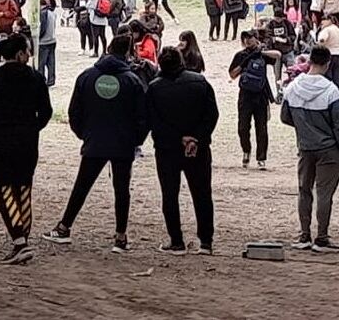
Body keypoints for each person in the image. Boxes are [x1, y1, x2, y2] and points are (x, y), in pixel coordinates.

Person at [46, 33, 151, 253]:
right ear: (128, 52)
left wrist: (84, 134)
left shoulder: (87, 76)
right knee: (122, 190)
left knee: (82, 186)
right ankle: (120, 237)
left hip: (94, 141)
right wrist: (135, 141)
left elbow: (74, 111)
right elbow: (143, 117)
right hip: (123, 143)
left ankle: (64, 227)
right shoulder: (132, 81)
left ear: (109, 47)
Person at [0, 33, 52, 265]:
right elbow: (46, 112)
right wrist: (32, 128)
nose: (29, 55)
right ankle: (23, 236)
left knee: (4, 192)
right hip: (27, 144)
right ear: (19, 54)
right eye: (27, 51)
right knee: (23, 189)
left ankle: (19, 241)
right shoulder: (36, 78)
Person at [147, 45, 220, 254]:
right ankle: (206, 241)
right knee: (202, 193)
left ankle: (176, 240)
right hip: (197, 147)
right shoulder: (200, 82)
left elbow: (154, 121)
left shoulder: (154, 88)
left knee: (169, 194)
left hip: (167, 148)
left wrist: (178, 138)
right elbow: (211, 114)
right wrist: (195, 137)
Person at [281, 44, 339, 251]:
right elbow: (338, 123)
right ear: (327, 64)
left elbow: (285, 117)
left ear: (309, 62)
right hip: (328, 148)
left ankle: (304, 235)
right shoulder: (330, 90)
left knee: (304, 190)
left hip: (305, 146)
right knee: (324, 193)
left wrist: (303, 128)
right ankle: (322, 237)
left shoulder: (293, 88)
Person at [228, 29, 281, 170]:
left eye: (250, 38)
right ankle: (246, 150)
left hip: (261, 95)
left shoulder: (262, 53)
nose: (247, 41)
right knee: (243, 127)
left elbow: (278, 55)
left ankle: (261, 158)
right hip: (245, 95)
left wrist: (261, 52)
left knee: (262, 128)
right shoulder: (240, 55)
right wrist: (244, 62)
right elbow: (232, 74)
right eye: (245, 39)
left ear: (256, 39)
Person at [36, 0, 58, 86]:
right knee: (51, 62)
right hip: (52, 39)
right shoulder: (52, 13)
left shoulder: (42, 13)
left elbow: (43, 27)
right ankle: (51, 79)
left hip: (44, 41)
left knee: (41, 63)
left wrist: (38, 37)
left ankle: (41, 80)